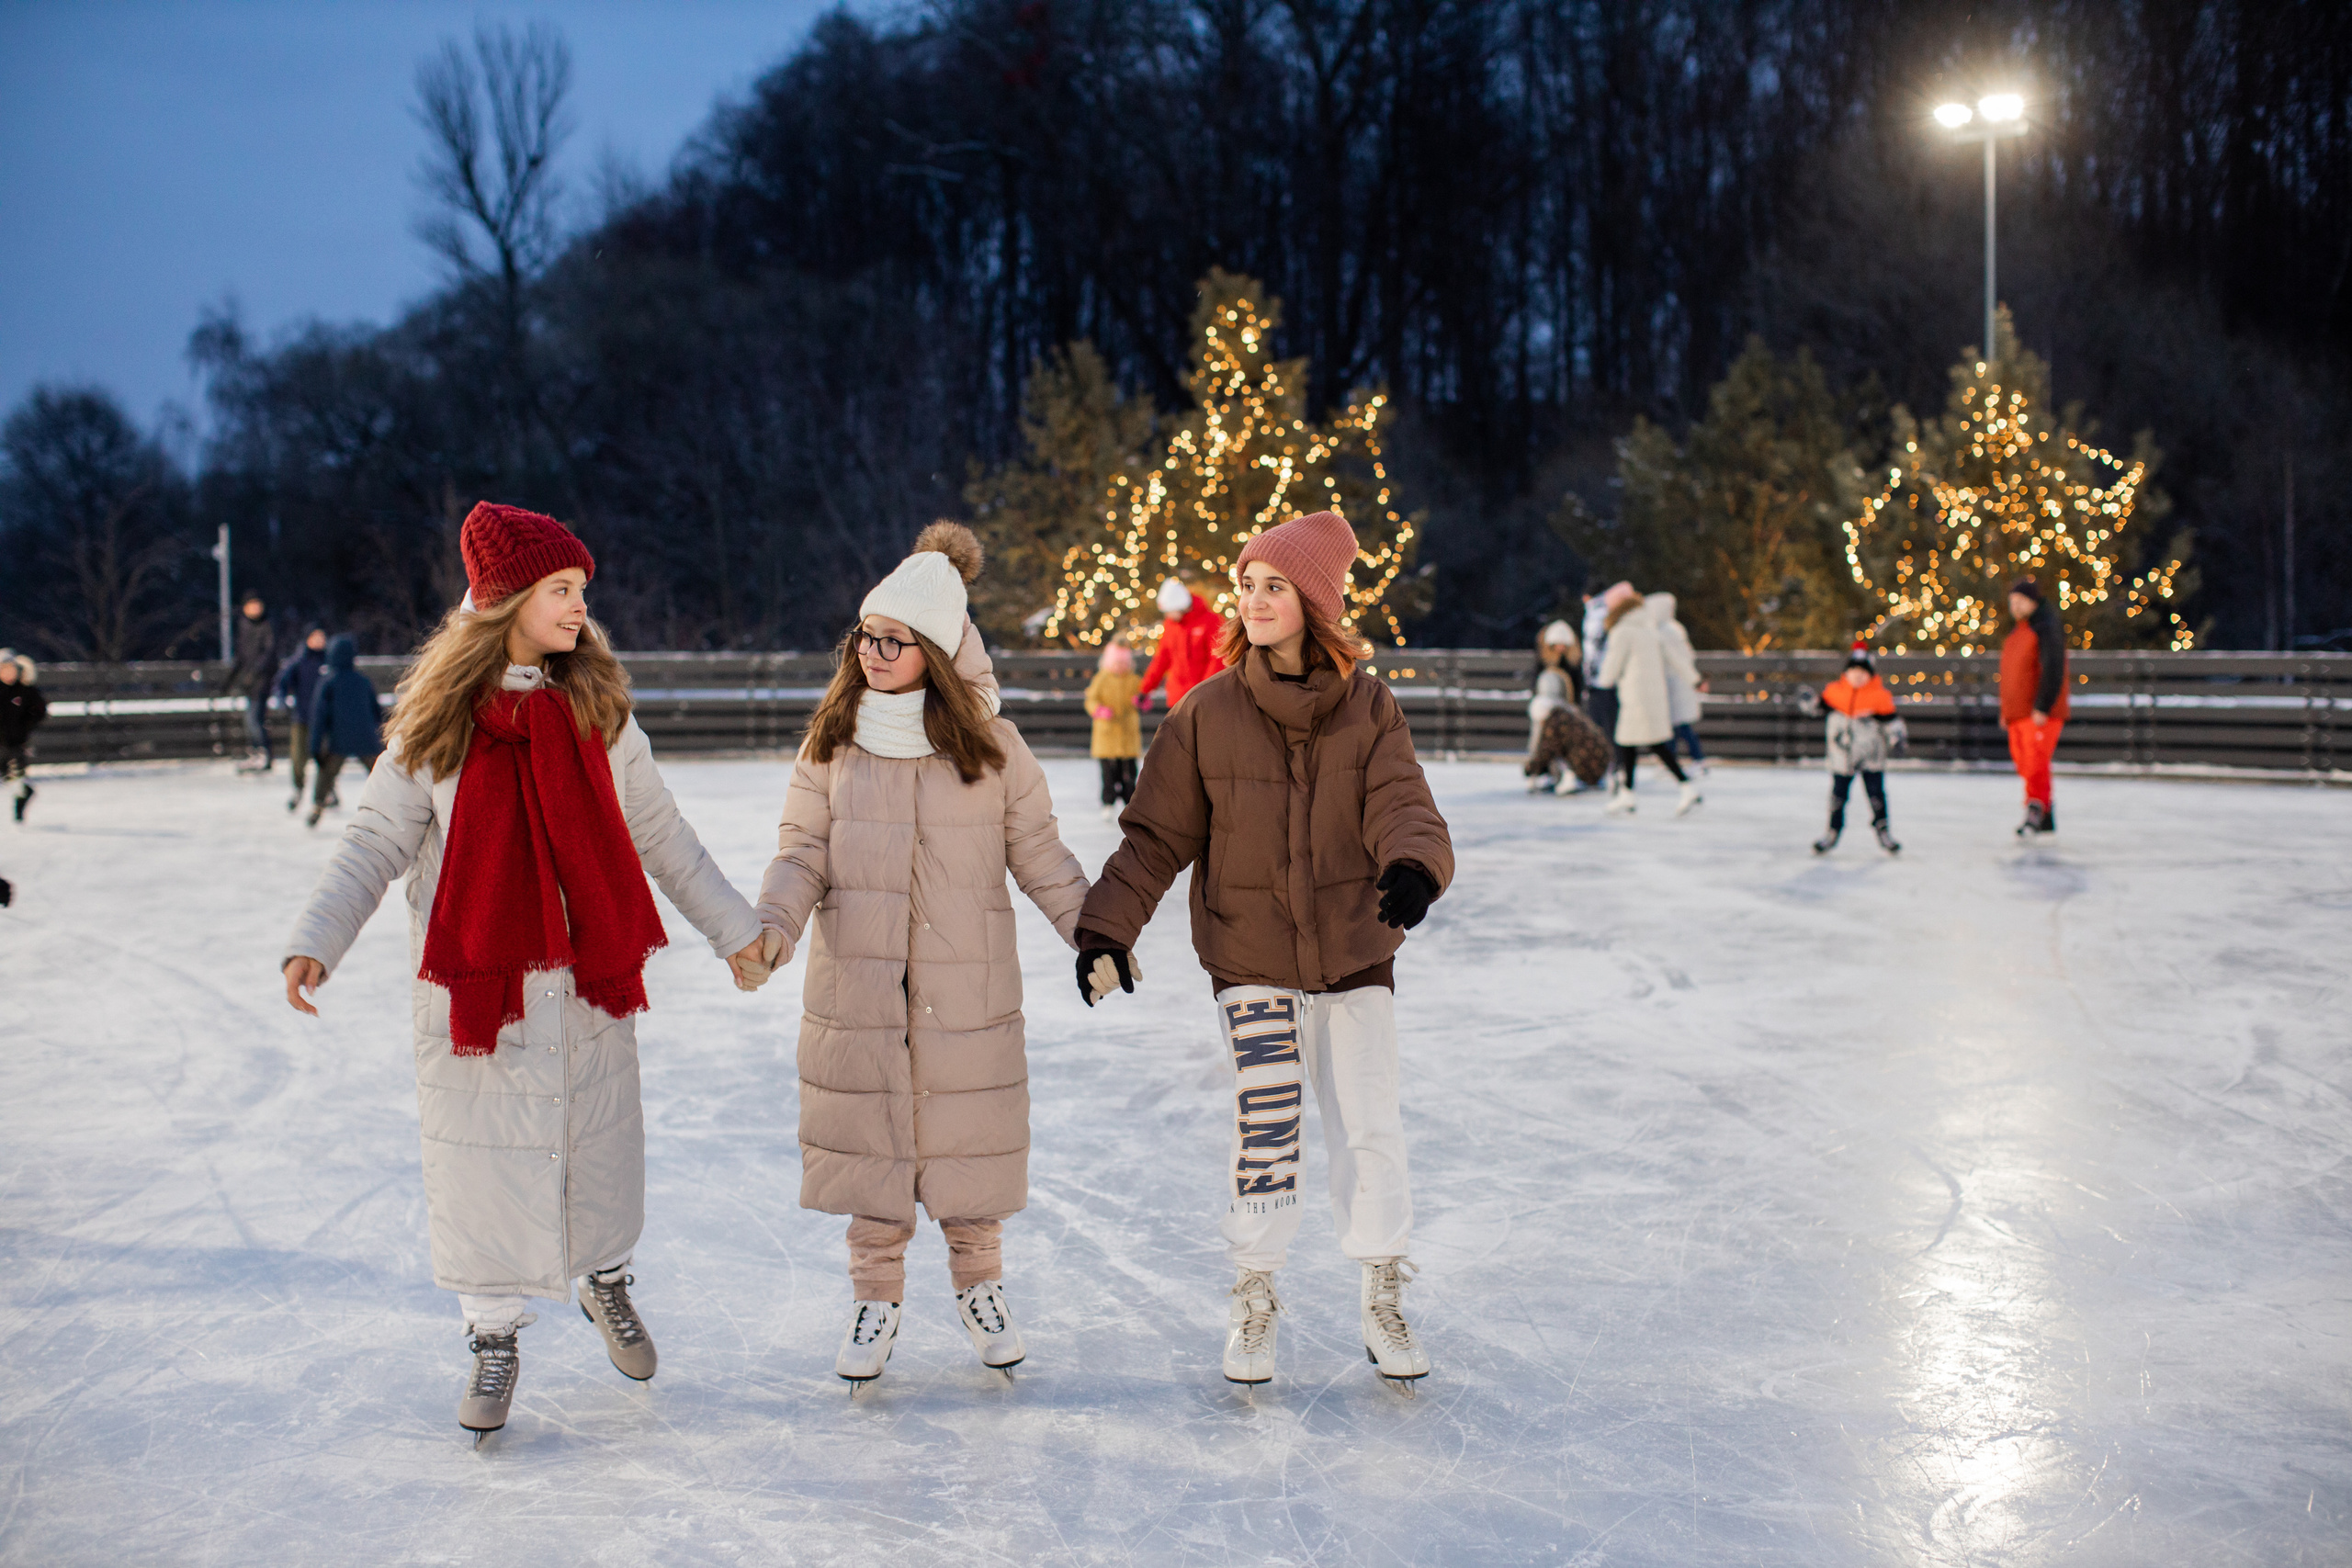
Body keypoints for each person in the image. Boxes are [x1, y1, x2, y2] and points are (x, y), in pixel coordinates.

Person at [279, 502, 771, 1444]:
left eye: (581, 589)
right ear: (505, 601)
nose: (579, 606)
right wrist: (318, 936)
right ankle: (493, 1336)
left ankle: (606, 1279)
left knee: (599, 1153)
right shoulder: (437, 727)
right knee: (480, 1173)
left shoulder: (597, 714)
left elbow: (659, 834)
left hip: (586, 986)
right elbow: (375, 839)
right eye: (560, 589)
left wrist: (734, 931)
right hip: (478, 992)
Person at [1071, 510, 1454, 1393]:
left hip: (1358, 948)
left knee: (1370, 1124)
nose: (1252, 597)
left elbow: (1406, 803)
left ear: (1314, 601)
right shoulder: (1205, 714)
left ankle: (1381, 1288)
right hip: (1249, 957)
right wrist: (1107, 929)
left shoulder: (1369, 706)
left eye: (1273, 584)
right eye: (1246, 583)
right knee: (1269, 1124)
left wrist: (1413, 868)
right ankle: (1255, 1289)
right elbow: (1152, 837)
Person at [752, 522, 1090, 1387]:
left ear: (935, 651)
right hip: (859, 981)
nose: (873, 651)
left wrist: (1095, 933)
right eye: (866, 635)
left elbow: (1041, 852)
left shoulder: (990, 748)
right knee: (871, 1142)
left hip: (963, 983)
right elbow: (801, 852)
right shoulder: (833, 739)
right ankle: (875, 1295)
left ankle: (981, 1285)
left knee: (967, 1139)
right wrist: (774, 926)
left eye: (893, 640)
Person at [1596, 584, 1700, 817]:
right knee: (1630, 743)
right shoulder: (1649, 627)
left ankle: (1685, 786)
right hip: (1653, 697)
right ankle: (1628, 794)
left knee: (1648, 744)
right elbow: (1674, 657)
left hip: (1635, 697)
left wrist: (1602, 683)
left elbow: (1612, 666)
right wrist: (1694, 678)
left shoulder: (1623, 630)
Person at [1807, 643, 1905, 854]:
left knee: (1876, 794)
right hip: (1842, 757)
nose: (1858, 676)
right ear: (1846, 672)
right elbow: (1817, 707)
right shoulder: (1834, 693)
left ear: (1870, 674)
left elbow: (1892, 721)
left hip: (1871, 755)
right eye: (1854, 671)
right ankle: (1832, 831)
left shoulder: (1878, 696)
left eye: (1863, 672)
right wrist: (1809, 703)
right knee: (1838, 796)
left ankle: (1883, 830)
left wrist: (1897, 737)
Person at [2002, 578, 2069, 835]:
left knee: (2035, 762)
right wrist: (2006, 711)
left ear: (2032, 602)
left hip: (2039, 711)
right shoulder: (2019, 631)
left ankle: (2035, 809)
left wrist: (2043, 705)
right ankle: (2046, 814)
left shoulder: (2044, 628)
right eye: (2012, 602)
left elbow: (2053, 668)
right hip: (2018, 713)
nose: (2014, 607)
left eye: (2019, 602)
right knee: (2024, 762)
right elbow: (2012, 674)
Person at [304, 634, 383, 829]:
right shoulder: (363, 681)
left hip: (338, 740)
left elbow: (319, 718)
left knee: (326, 773)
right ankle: (393, 807)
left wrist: (314, 748)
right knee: (380, 775)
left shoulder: (328, 682)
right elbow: (377, 713)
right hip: (366, 739)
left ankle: (317, 805)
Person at [1138, 572, 1222, 709]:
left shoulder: (1211, 622)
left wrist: (1205, 691)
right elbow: (1162, 659)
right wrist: (1145, 689)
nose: (1167, 615)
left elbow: (1217, 659)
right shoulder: (1171, 625)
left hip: (1203, 699)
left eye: (1169, 611)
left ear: (1181, 607)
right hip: (1177, 699)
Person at [1648, 592, 1709, 773]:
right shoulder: (1673, 628)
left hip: (1674, 684)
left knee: (1678, 726)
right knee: (1677, 726)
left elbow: (1677, 658)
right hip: (1676, 683)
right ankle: (1680, 761)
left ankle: (1689, 760)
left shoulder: (1664, 631)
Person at [1524, 621, 1587, 794]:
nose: (1560, 648)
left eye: (1563, 644)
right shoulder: (1543, 661)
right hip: (1545, 708)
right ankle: (1538, 771)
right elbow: (1536, 685)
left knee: (1564, 736)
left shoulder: (1572, 662)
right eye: (1557, 644)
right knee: (1541, 736)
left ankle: (1568, 772)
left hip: (1566, 709)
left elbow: (1577, 687)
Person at [272, 626, 331, 812]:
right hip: (302, 717)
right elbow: (281, 682)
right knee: (298, 757)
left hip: (324, 720)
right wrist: (282, 701)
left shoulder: (330, 661)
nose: (319, 641)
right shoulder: (299, 661)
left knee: (326, 756)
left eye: (322, 637)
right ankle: (298, 788)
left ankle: (327, 791)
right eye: (315, 637)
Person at [1086, 637, 1143, 818]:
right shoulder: (1101, 679)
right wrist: (1099, 710)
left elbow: (1141, 695)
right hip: (1107, 736)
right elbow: (1091, 699)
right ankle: (1108, 802)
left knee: (1129, 773)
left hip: (1127, 734)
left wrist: (1140, 702)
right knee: (1108, 774)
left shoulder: (1133, 679)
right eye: (1117, 663)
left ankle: (1131, 803)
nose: (1120, 667)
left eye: (1124, 663)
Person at [229, 594, 277, 773]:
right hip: (248, 681)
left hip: (262, 680)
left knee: (254, 718)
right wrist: (232, 678)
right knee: (250, 719)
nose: (255, 609)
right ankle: (256, 753)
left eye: (258, 605)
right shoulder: (243, 625)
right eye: (251, 605)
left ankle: (262, 754)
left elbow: (269, 653)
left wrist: (255, 672)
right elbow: (241, 655)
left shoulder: (267, 626)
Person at [1, 650, 48, 824]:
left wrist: (26, 726)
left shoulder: (25, 690)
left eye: (11, 669)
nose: (8, 673)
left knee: (19, 780)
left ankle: (18, 813)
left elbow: (40, 710)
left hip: (16, 743)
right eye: (4, 669)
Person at [1580, 587, 1618, 739]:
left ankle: (1608, 758)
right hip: (1607, 677)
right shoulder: (1606, 611)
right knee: (1609, 720)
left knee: (1601, 722)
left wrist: (1589, 673)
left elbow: (1593, 649)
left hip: (1599, 678)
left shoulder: (1596, 614)